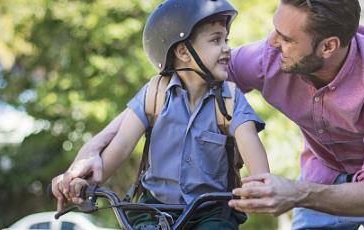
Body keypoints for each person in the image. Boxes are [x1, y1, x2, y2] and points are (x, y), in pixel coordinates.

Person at [53, 0, 364, 229]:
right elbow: (178, 84)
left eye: (286, 39)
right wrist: (93, 147)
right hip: (325, 166)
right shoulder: (268, 58)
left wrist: (296, 192)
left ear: (328, 46)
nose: (271, 43)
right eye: (275, 30)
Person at [53, 0, 270, 229]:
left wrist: (261, 186)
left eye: (226, 39)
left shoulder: (230, 100)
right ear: (183, 52)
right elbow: (122, 144)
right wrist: (86, 183)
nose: (227, 48)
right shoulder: (154, 94)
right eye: (216, 40)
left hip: (210, 212)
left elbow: (255, 159)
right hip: (155, 209)